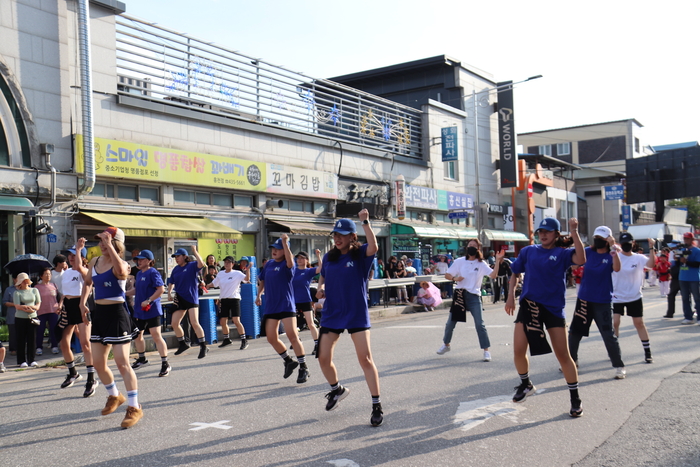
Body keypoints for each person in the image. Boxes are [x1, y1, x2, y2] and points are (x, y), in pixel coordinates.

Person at [505, 217, 585, 417]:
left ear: (556, 234)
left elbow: (581, 259)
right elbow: (514, 272)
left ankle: (575, 399)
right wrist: (510, 298)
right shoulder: (528, 251)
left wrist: (574, 232)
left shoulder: (563, 253)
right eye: (540, 231)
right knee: (518, 350)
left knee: (563, 355)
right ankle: (526, 384)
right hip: (529, 306)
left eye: (548, 231)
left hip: (553, 309)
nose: (543, 234)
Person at [315, 211, 383, 427]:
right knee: (323, 357)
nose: (337, 238)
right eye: (335, 234)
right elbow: (323, 276)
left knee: (365, 359)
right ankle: (337, 390)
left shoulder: (360, 254)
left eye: (342, 235)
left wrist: (365, 222)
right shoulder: (329, 257)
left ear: (353, 236)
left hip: (355, 313)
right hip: (333, 313)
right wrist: (320, 288)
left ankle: (376, 405)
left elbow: (374, 246)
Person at [80, 226, 142, 428]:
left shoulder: (122, 263)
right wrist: (83, 302)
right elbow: (88, 281)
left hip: (117, 314)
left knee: (122, 362)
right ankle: (114, 395)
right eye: (100, 241)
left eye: (106, 240)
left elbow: (122, 273)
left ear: (116, 243)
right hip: (100, 314)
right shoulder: (96, 261)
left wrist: (110, 247)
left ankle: (134, 407)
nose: (101, 244)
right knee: (98, 362)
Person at [568, 226, 626, 379]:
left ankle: (619, 366)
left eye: (601, 239)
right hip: (584, 300)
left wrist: (614, 248)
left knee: (608, 335)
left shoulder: (611, 254)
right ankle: (571, 362)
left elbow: (617, 268)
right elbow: (576, 260)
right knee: (575, 333)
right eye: (596, 238)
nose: (597, 241)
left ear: (607, 240)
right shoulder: (588, 252)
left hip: (603, 301)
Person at [437, 238, 503, 362]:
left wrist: (498, 261)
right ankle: (446, 345)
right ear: (466, 248)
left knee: (480, 324)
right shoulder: (459, 261)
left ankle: (486, 351)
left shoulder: (481, 263)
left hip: (474, 296)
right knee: (450, 323)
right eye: (470, 245)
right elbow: (447, 274)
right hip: (460, 294)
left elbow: (493, 275)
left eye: (474, 245)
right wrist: (455, 279)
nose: (471, 247)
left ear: (478, 249)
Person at [256, 234, 309, 384]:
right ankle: (288, 361)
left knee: (292, 336)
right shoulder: (269, 264)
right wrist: (259, 295)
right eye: (273, 248)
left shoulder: (288, 265)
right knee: (271, 337)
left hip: (286, 304)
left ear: (285, 251)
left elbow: (291, 262)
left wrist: (285, 243)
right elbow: (262, 280)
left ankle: (303, 367)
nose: (274, 251)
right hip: (272, 306)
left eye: (278, 249)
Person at [59, 240, 99, 397]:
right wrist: (60, 304)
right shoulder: (66, 272)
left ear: (82, 257)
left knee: (85, 343)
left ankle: (91, 379)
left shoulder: (86, 271)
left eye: (74, 254)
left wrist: (79, 250)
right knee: (64, 343)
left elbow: (83, 275)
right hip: (68, 307)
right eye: (69, 254)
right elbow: (65, 292)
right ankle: (73, 372)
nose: (70, 257)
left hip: (82, 306)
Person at [612, 233, 656, 364]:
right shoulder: (615, 257)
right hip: (617, 296)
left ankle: (647, 352)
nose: (627, 245)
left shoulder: (638, 258)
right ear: (621, 244)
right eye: (624, 243)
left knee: (639, 323)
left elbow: (651, 265)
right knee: (615, 322)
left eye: (629, 243)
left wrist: (652, 248)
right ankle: (615, 351)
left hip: (634, 296)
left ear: (633, 243)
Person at [129, 249, 171, 377]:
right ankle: (142, 359)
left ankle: (165, 363)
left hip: (152, 309)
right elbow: (137, 290)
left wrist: (148, 300)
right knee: (137, 335)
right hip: (139, 311)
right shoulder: (139, 274)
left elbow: (161, 289)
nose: (139, 261)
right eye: (138, 259)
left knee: (156, 335)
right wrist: (124, 293)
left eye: (141, 259)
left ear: (149, 261)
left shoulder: (153, 272)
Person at [167, 245, 209, 358]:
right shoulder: (176, 269)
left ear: (185, 256)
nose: (176, 258)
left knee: (194, 322)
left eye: (178, 256)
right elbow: (171, 282)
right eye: (175, 257)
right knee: (174, 323)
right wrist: (169, 293)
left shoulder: (191, 266)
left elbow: (201, 264)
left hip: (191, 297)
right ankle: (183, 343)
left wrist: (195, 251)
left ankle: (203, 346)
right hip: (180, 298)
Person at [211, 255, 249, 350]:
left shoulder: (237, 273)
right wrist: (206, 285)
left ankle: (244, 340)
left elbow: (247, 279)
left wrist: (248, 270)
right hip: (224, 299)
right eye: (225, 262)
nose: (227, 264)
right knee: (223, 321)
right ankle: (226, 339)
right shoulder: (220, 273)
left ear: (233, 264)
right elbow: (214, 283)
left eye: (229, 262)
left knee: (236, 321)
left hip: (234, 299)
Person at [293, 250, 322, 355]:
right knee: (293, 325)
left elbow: (321, 269)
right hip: (293, 301)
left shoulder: (308, 271)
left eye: (302, 258)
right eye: (298, 258)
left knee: (310, 323)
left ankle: (318, 344)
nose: (299, 260)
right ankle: (296, 341)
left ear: (306, 260)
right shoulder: (293, 270)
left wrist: (318, 256)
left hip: (305, 300)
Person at [13, 272, 40, 368]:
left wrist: (32, 308)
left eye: (26, 280)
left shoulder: (34, 290)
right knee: (21, 339)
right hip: (20, 318)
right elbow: (17, 306)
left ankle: (32, 359)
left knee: (32, 339)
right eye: (23, 281)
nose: (25, 282)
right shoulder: (17, 292)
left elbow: (38, 304)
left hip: (32, 317)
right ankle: (21, 360)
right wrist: (25, 307)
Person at [35, 267, 62, 356]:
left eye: (50, 274)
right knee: (40, 329)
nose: (48, 276)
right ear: (41, 276)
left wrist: (59, 306)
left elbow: (59, 297)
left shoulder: (54, 285)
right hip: (41, 311)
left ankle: (54, 346)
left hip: (53, 311)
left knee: (53, 329)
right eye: (46, 274)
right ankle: (39, 347)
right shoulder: (37, 287)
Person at [677, 232, 700, 324]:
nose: (686, 240)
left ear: (692, 240)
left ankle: (699, 318)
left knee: (697, 298)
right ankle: (688, 317)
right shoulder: (681, 250)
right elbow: (678, 262)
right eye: (685, 238)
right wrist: (678, 259)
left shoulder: (697, 251)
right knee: (685, 298)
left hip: (694, 278)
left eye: (687, 239)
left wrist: (686, 261)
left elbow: (697, 264)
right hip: (683, 277)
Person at [664, 243, 682, 318]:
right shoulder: (672, 253)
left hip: (683, 278)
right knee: (671, 295)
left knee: (686, 296)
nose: (672, 248)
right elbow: (672, 264)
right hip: (675, 278)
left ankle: (689, 313)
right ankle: (670, 313)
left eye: (673, 247)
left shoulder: (682, 252)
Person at [2, 276, 18, 356]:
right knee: (13, 332)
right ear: (14, 279)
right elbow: (5, 302)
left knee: (23, 332)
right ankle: (13, 349)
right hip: (12, 314)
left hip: (24, 314)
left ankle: (22, 348)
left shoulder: (27, 289)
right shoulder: (9, 289)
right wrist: (15, 305)